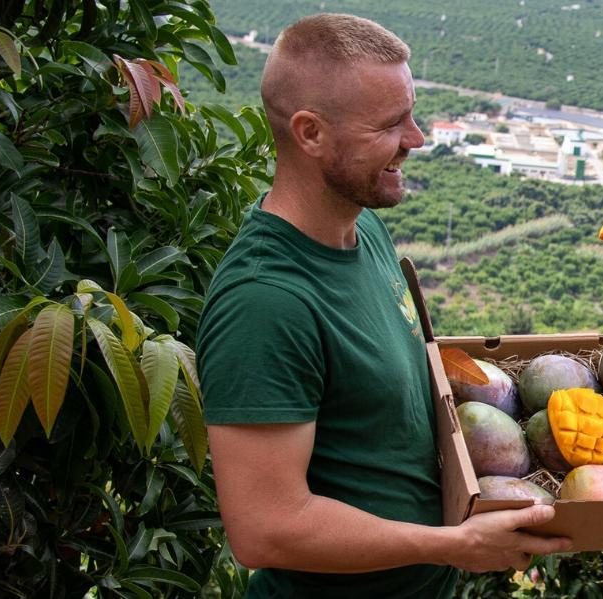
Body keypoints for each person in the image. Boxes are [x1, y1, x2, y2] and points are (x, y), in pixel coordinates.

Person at [197, 14, 569, 597]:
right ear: (310, 133)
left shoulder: (363, 227)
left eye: (412, 114)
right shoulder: (265, 304)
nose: (417, 139)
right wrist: (452, 544)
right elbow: (265, 530)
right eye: (391, 124)